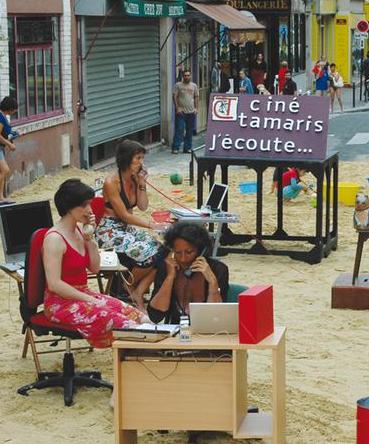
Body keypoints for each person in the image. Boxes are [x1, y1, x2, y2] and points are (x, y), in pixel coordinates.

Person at [43, 178, 147, 348]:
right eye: (84, 205)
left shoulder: (78, 229)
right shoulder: (54, 239)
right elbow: (54, 284)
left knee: (140, 317)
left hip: (83, 295)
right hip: (60, 303)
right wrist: (89, 299)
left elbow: (94, 268)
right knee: (128, 327)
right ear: (69, 207)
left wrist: (90, 238)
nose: (89, 210)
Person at [96, 140, 168, 312]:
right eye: (138, 158)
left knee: (163, 251)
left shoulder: (134, 178)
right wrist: (154, 225)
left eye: (142, 158)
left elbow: (143, 206)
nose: (141, 162)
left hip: (125, 227)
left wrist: (142, 184)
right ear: (127, 158)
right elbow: (125, 215)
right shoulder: (111, 182)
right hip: (110, 229)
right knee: (148, 253)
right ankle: (125, 287)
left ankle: (136, 291)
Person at [147, 222, 230, 325]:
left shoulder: (218, 270)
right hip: (177, 334)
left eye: (189, 252)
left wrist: (212, 282)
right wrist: (170, 278)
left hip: (208, 332)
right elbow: (155, 316)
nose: (183, 258)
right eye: (177, 252)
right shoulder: (167, 269)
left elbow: (217, 318)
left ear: (201, 251)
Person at [172, 69, 198, 154]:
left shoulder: (194, 86)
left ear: (190, 76)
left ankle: (187, 148)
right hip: (181, 112)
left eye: (188, 75)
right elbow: (174, 97)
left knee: (189, 130)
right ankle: (175, 147)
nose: (187, 77)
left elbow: (196, 97)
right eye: (185, 75)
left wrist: (196, 108)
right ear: (183, 76)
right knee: (179, 129)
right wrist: (177, 108)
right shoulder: (178, 85)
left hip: (191, 112)